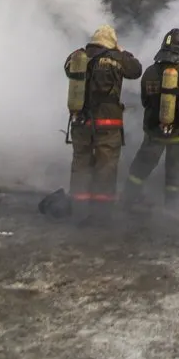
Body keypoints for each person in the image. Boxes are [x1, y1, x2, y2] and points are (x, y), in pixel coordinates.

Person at [64, 24, 142, 219]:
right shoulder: (117, 58)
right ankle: (101, 214)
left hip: (80, 121)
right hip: (108, 123)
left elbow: (68, 71)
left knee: (81, 163)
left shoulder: (77, 57)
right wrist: (122, 51)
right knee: (105, 166)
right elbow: (136, 70)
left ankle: (79, 212)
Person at [123, 28, 179, 210]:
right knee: (176, 171)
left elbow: (145, 101)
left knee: (141, 167)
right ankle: (172, 207)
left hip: (154, 132)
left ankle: (128, 198)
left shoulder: (150, 72)